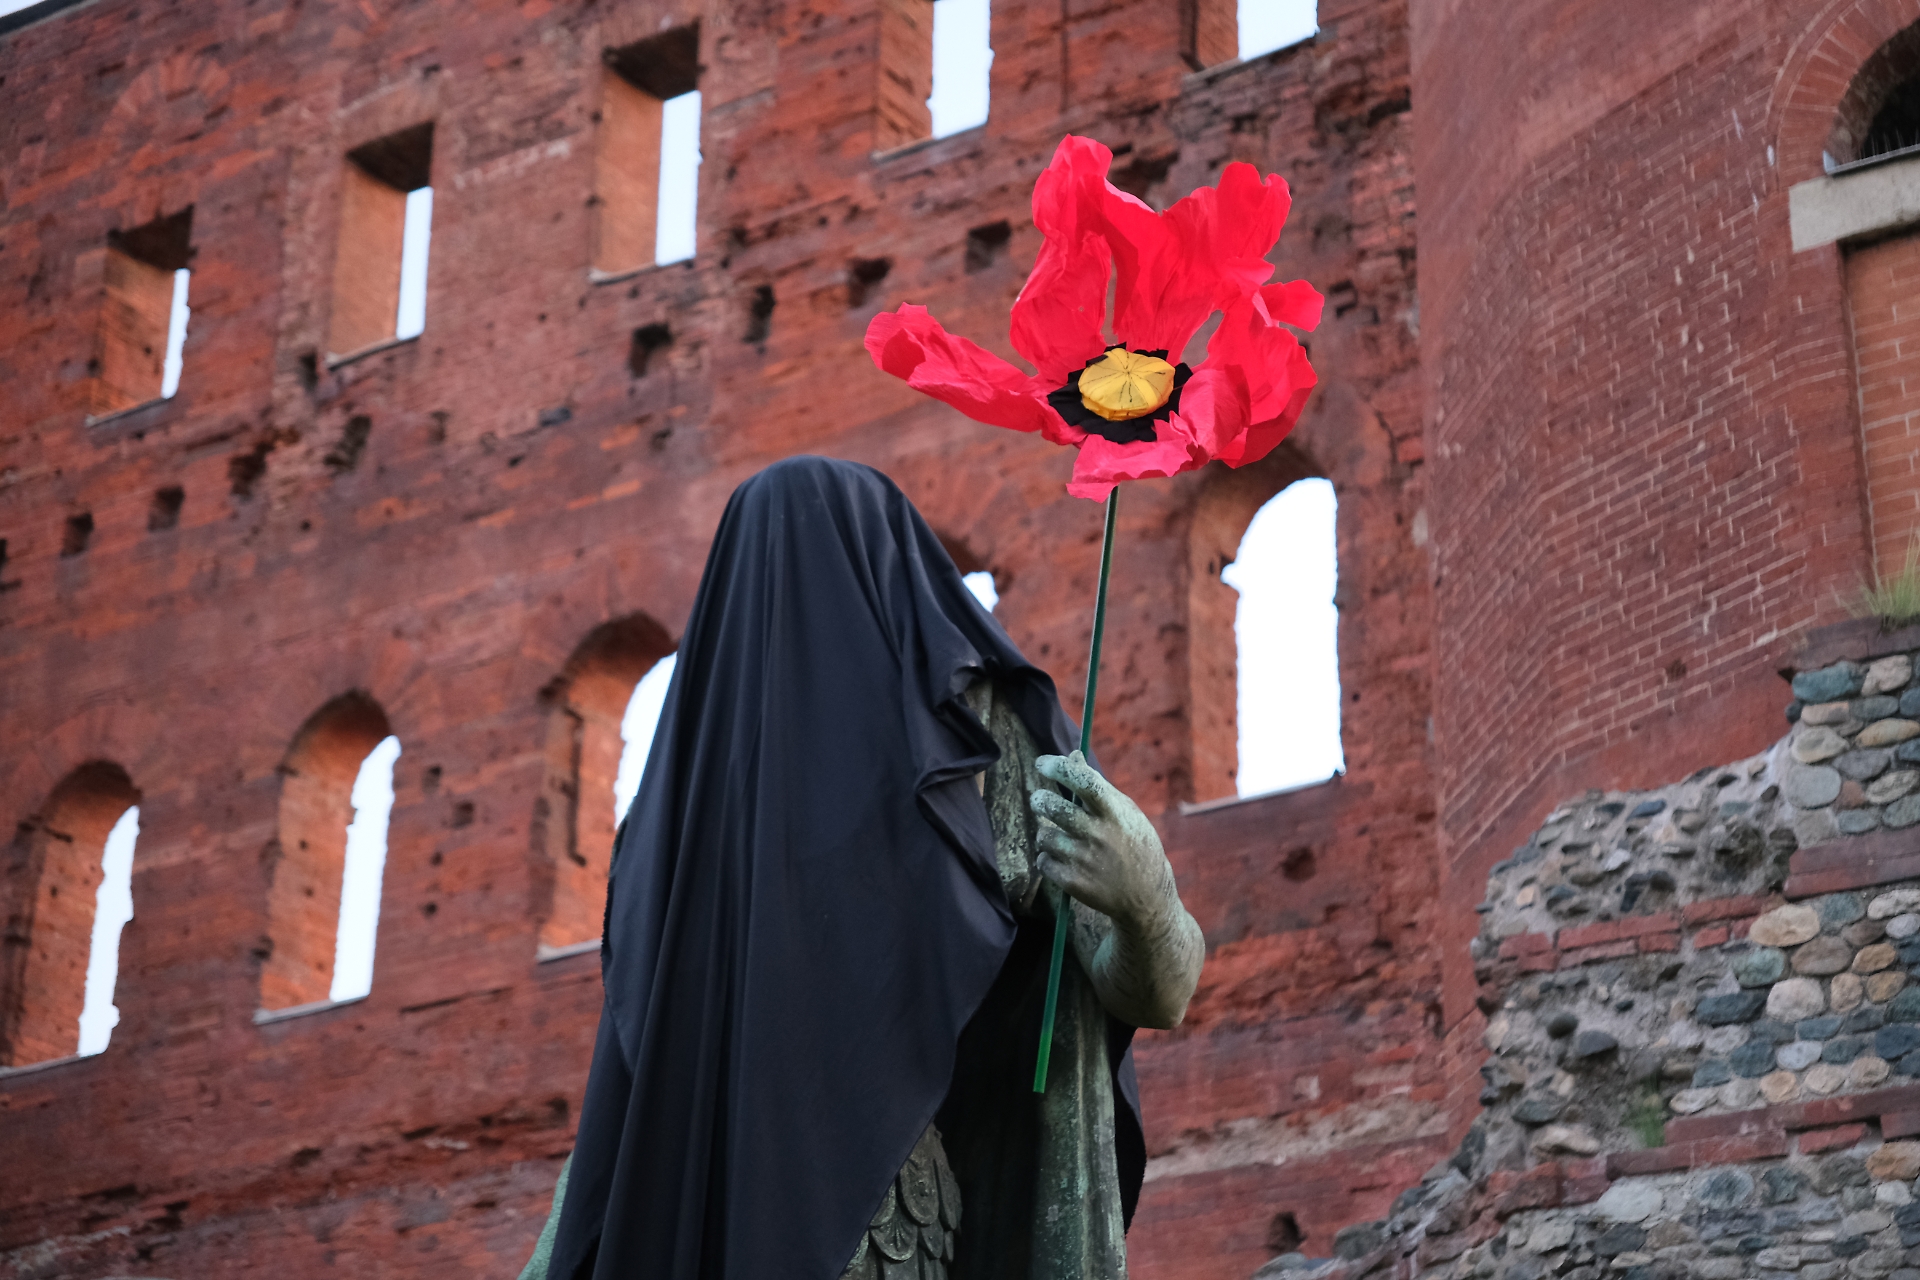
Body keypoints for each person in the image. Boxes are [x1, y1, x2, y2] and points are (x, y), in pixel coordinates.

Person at [520, 456, 1203, 1280]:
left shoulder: (976, 736)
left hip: (875, 1217)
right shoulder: (678, 811)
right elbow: (635, 1065)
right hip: (705, 1205)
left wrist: (1144, 900)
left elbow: (1157, 990)